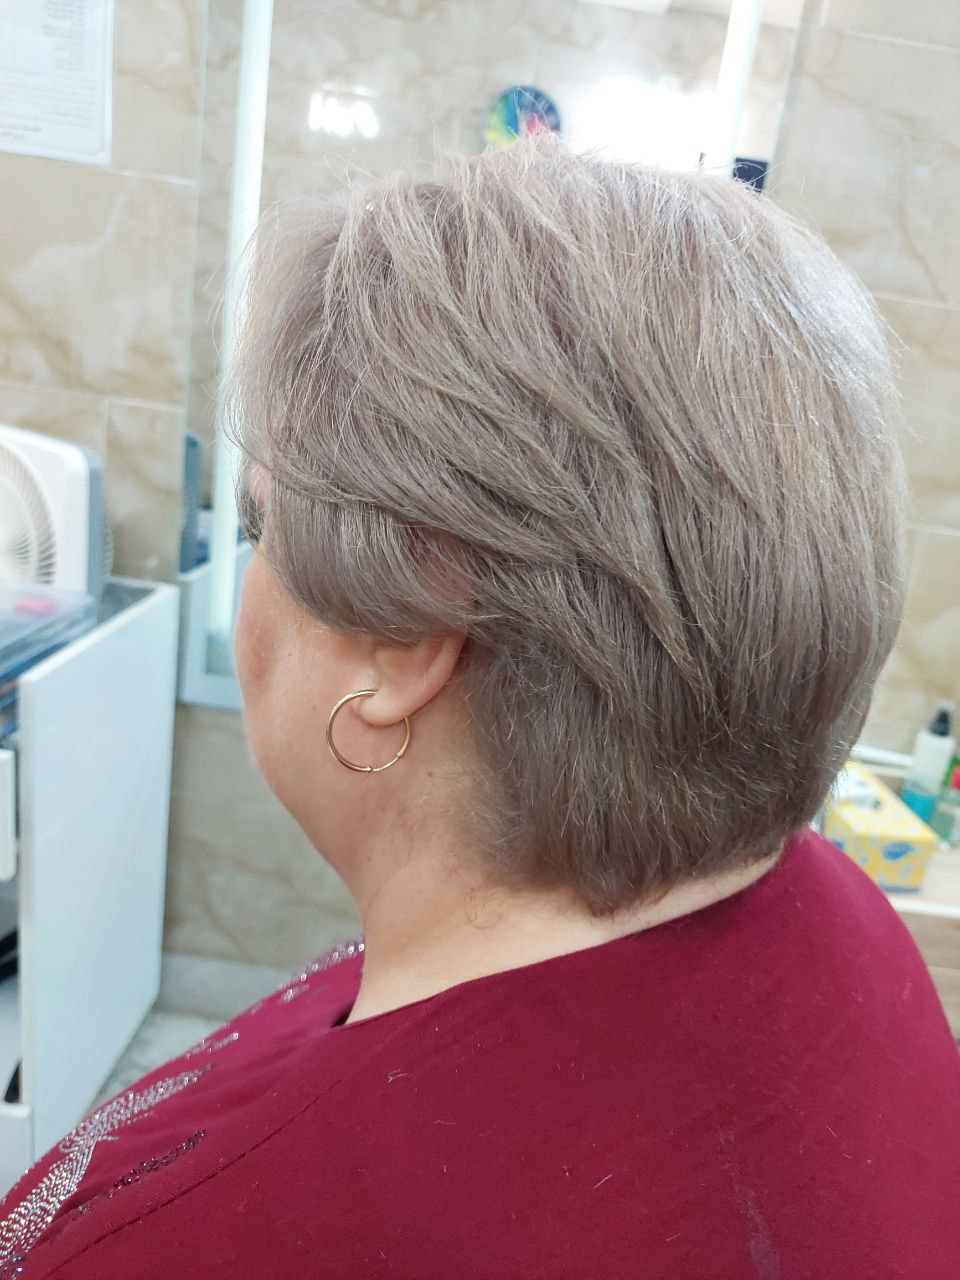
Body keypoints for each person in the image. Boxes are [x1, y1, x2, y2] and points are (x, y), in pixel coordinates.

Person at [1, 140, 957, 1280]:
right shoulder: (844, 915)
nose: (252, 574)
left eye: (263, 526)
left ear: (402, 636)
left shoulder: (181, 1251)